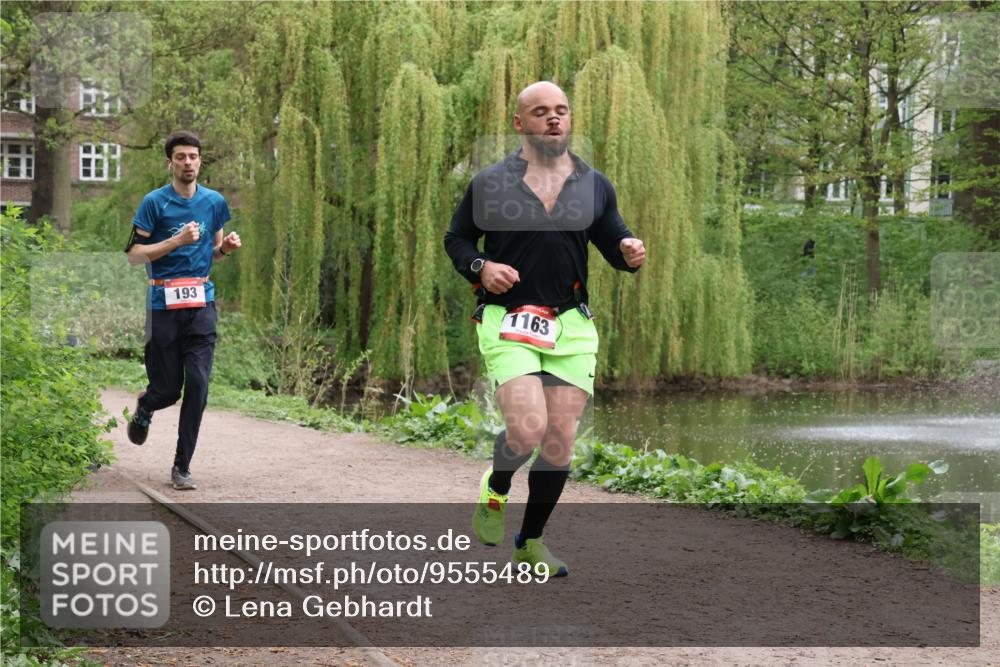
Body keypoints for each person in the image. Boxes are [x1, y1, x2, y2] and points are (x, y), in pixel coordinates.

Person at [444, 81, 645, 576]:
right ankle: (497, 484)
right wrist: (480, 268)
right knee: (528, 426)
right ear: (520, 123)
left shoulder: (593, 184)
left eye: (561, 111)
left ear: (570, 119)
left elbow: (613, 237)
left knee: (558, 442)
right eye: (540, 112)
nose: (553, 119)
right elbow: (458, 239)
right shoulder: (490, 183)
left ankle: (530, 542)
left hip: (571, 323)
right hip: (507, 317)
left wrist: (629, 252)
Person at [124, 131, 241, 490]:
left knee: (200, 385)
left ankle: (181, 466)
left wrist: (226, 250)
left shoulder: (214, 202)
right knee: (168, 391)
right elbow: (132, 255)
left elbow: (213, 252)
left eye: (193, 156)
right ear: (170, 163)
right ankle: (146, 406)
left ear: (200, 161)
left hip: (201, 304)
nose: (188, 162)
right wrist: (176, 240)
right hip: (163, 305)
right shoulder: (154, 203)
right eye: (181, 157)